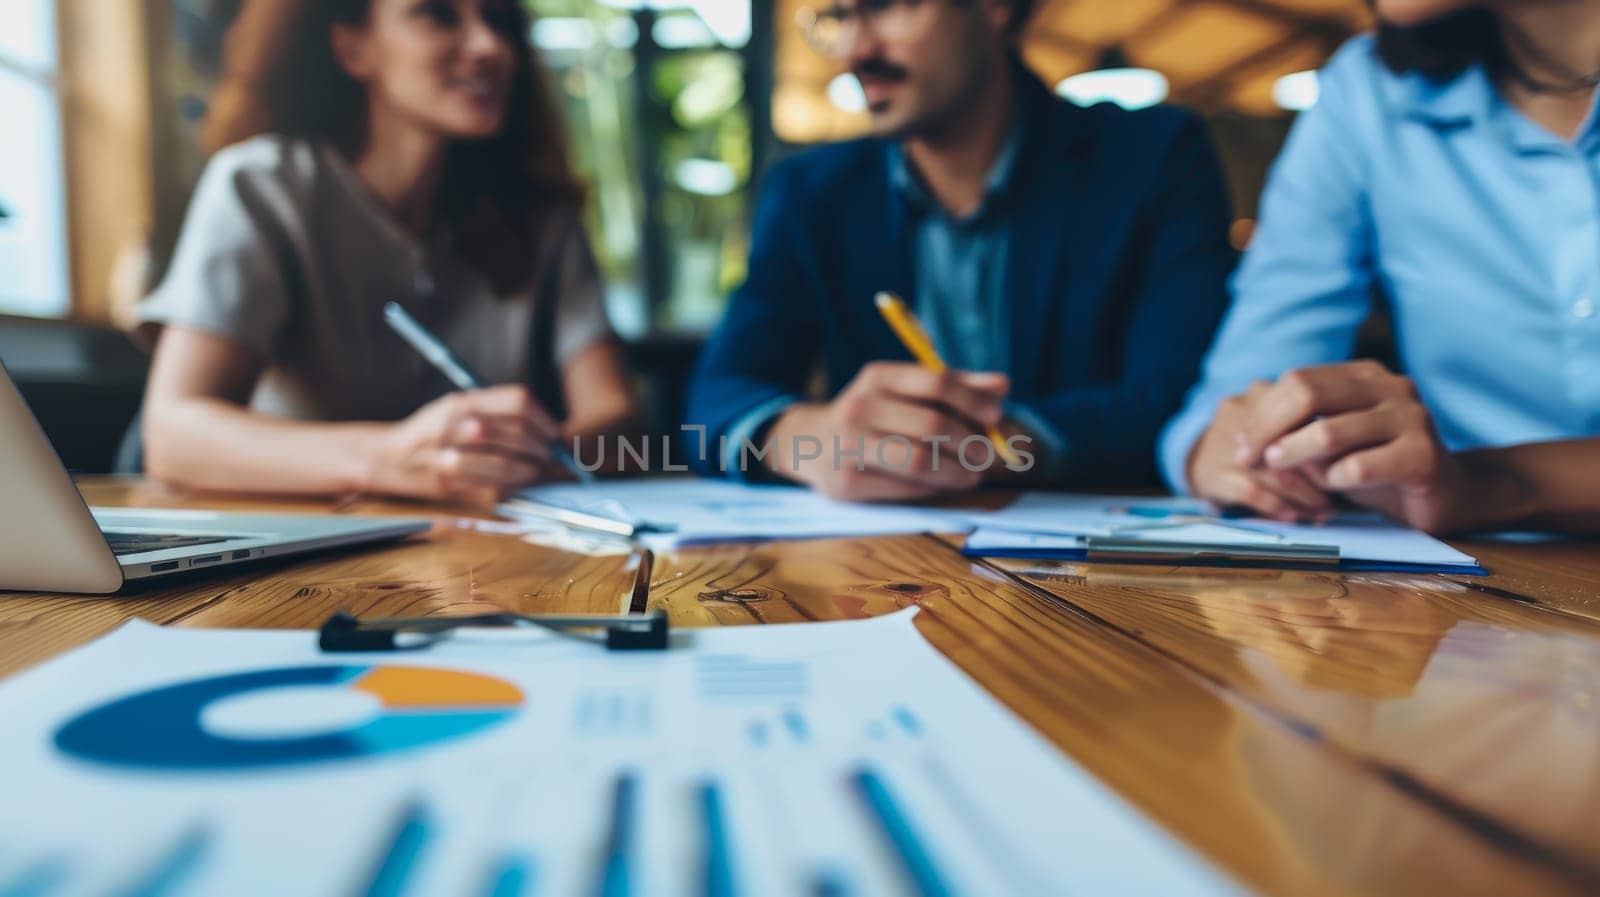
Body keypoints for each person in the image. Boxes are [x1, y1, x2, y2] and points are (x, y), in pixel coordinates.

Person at [685, 0, 1235, 501]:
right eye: (839, 18)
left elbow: (1184, 397)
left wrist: (980, 446)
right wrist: (807, 438)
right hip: (881, 571)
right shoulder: (812, 192)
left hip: (1106, 580)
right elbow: (715, 400)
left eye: (884, 7)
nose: (856, 51)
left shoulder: (1152, 159)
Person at [137, 0, 638, 504]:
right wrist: (390, 456)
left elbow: (619, 419)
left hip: (488, 559)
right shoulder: (262, 187)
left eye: (499, 21)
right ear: (353, 48)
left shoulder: (541, 217)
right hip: (297, 559)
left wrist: (524, 456)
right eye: (437, 15)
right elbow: (173, 436)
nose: (491, 46)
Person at [1163, 0, 1600, 535]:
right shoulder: (1367, 88)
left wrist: (1489, 484)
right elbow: (1252, 375)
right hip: (1479, 588)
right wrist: (1226, 447)